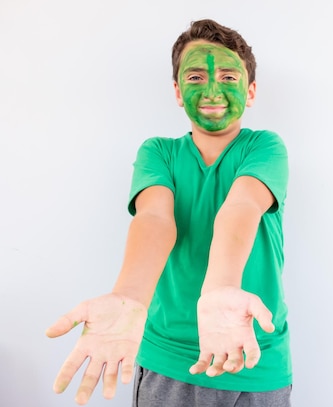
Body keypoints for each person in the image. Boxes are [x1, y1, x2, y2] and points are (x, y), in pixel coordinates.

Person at [46, 18, 292, 407]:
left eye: (228, 76)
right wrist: (129, 297)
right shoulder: (158, 153)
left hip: (256, 360)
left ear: (252, 89)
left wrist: (220, 288)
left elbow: (241, 207)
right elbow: (155, 220)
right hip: (169, 362)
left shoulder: (265, 147)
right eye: (195, 77)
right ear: (177, 91)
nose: (212, 89)